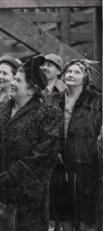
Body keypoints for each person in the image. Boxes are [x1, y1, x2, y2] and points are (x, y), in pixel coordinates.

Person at [0, 56, 62, 231]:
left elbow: (43, 155)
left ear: (31, 89)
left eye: (18, 80)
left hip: (28, 199)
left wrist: (11, 175)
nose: (12, 83)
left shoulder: (49, 115)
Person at [50, 59, 102, 231]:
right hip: (59, 166)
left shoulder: (96, 101)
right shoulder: (53, 100)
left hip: (86, 164)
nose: (71, 75)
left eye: (76, 72)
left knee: (86, 214)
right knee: (63, 214)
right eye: (69, 72)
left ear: (85, 77)